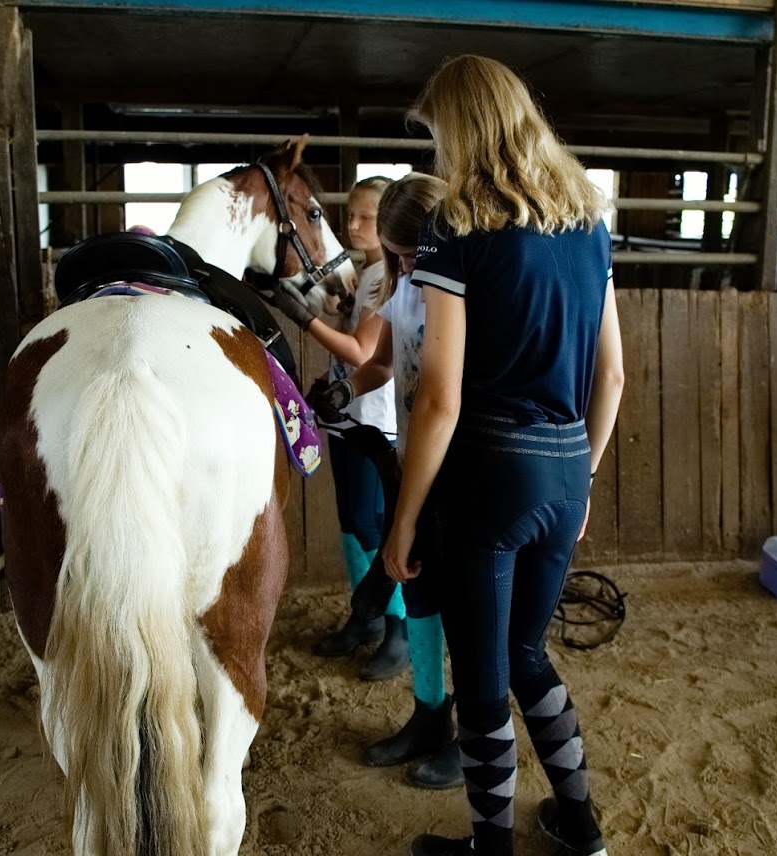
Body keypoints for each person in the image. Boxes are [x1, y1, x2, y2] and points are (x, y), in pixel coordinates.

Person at [382, 56, 625, 856]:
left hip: (487, 473)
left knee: (483, 676)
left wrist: (404, 519)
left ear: (461, 128)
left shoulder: (454, 222)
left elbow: (439, 396)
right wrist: (581, 474)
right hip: (563, 466)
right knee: (528, 653)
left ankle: (491, 849)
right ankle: (578, 821)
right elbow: (612, 371)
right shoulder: (588, 218)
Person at [314, 172, 462, 790]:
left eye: (407, 250)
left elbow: (442, 398)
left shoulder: (454, 293)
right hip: (412, 458)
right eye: (398, 254)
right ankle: (430, 716)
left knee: (464, 607)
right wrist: (346, 388)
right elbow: (378, 363)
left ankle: (472, 736)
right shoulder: (405, 288)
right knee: (421, 594)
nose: (400, 263)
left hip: (453, 464)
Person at [269, 176, 409, 681]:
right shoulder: (366, 272)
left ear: (388, 221)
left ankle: (398, 627)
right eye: (348, 214)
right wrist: (337, 312)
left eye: (365, 217)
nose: (352, 225)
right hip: (348, 411)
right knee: (351, 519)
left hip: (375, 417)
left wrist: (301, 317)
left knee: (369, 521)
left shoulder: (387, 278)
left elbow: (363, 354)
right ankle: (365, 616)